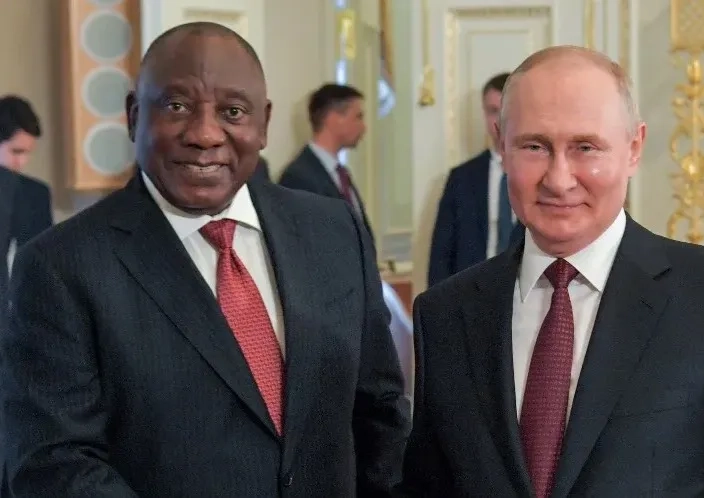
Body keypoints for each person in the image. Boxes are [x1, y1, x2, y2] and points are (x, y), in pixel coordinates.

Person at [2, 22, 409, 497]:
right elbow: (55, 465)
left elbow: (380, 413)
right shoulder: (60, 267)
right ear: (134, 116)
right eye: (176, 106)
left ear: (263, 124)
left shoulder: (334, 231)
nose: (204, 134)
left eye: (233, 111)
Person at [398, 45, 704, 497]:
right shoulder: (444, 314)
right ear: (502, 145)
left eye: (585, 147)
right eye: (534, 146)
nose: (559, 180)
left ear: (634, 148)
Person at [427, 73, 523, 287]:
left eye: (506, 111)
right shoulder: (462, 178)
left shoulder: (540, 174)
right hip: (472, 292)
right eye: (492, 111)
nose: (499, 121)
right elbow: (441, 255)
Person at [279, 84, 373, 237]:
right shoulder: (298, 177)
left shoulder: (342, 174)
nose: (363, 127)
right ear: (334, 119)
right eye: (358, 117)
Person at [0, 96, 52, 313]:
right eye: (16, 151)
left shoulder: (33, 193)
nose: (22, 162)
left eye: (27, 153)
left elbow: (40, 266)